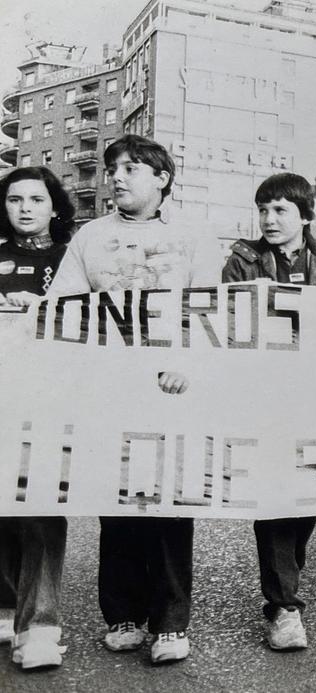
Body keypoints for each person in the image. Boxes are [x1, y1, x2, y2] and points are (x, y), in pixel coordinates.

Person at [48, 134, 223, 664]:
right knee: (117, 501)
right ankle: (122, 613)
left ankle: (171, 623)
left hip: (173, 390)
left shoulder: (194, 235)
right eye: (112, 169)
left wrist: (189, 364)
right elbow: (63, 307)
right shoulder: (90, 237)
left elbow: (212, 311)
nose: (117, 178)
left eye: (131, 168)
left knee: (169, 502)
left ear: (162, 178)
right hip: (109, 389)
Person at [223, 173, 316, 648]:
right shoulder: (242, 261)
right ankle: (284, 606)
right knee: (274, 497)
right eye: (263, 209)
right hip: (266, 401)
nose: (268, 219)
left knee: (307, 497)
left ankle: (287, 575)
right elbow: (228, 323)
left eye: (280, 210)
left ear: (306, 215)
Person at [0, 166, 74, 669]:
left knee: (41, 504)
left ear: (54, 206)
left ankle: (41, 626)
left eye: (36, 199)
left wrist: (44, 307)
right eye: (14, 199)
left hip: (49, 401)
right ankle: (6, 607)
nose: (25, 208)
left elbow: (95, 316)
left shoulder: (71, 257)